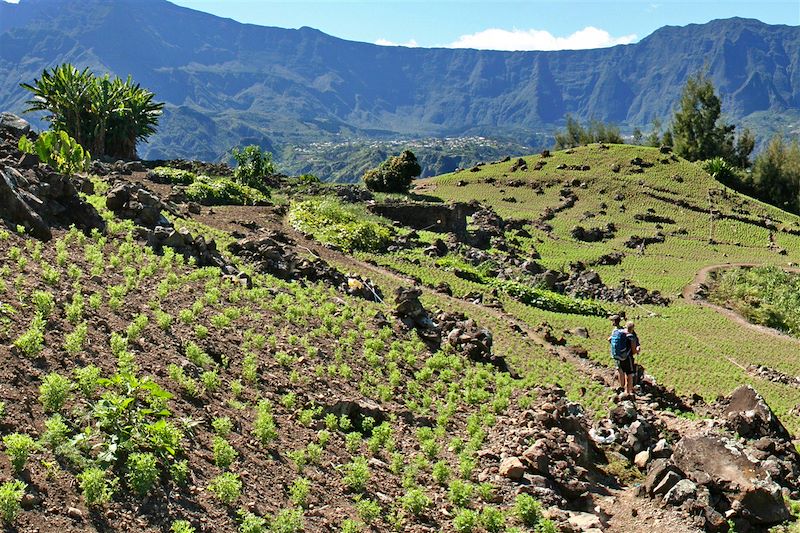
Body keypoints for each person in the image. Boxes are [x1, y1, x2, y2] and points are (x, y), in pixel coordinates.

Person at [608, 315, 635, 397]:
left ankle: (621, 387)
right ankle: (628, 391)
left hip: (617, 355)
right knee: (629, 373)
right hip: (626, 355)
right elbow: (632, 344)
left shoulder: (615, 331)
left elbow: (609, 339)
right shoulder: (624, 331)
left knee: (620, 371)